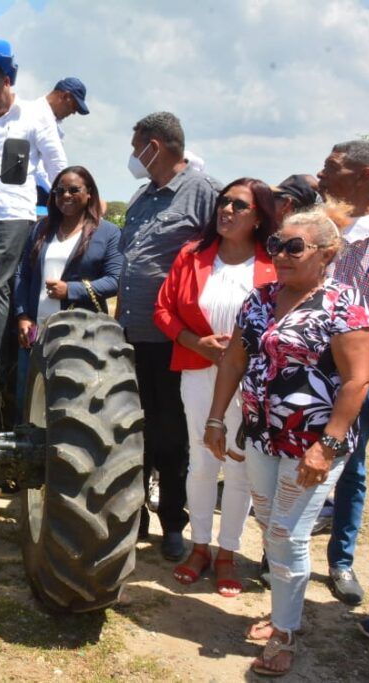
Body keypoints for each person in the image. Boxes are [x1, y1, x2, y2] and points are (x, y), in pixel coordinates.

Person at [205, 203, 369, 677]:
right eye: (276, 245)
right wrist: (217, 419)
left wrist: (328, 446)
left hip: (313, 444)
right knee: (269, 522)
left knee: (286, 532)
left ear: (327, 252)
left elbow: (356, 382)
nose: (280, 254)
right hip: (261, 436)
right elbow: (234, 361)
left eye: (293, 246)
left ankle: (284, 632)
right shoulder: (260, 298)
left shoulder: (344, 306)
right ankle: (285, 609)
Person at [153, 178, 278, 596]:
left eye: (238, 205)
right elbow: (164, 310)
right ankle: (200, 546)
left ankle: (228, 552)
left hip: (251, 380)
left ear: (258, 216)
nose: (226, 209)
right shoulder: (192, 256)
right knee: (202, 461)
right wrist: (196, 343)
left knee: (240, 465)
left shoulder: (273, 263)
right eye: (223, 202)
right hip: (198, 369)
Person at [117, 111, 221, 561]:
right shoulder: (143, 196)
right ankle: (130, 513)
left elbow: (223, 254)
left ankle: (172, 523)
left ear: (154, 147)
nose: (132, 154)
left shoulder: (203, 192)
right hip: (128, 337)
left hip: (171, 341)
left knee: (169, 436)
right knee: (129, 432)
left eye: (136, 144)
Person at [0, 62, 70, 394]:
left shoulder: (34, 116)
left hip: (11, 216)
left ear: (7, 82)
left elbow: (57, 167)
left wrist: (65, 203)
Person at [317, 140, 369, 606]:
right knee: (293, 450)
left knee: (350, 462)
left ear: (363, 175)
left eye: (332, 167)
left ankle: (340, 561)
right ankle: (275, 552)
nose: (321, 174)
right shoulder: (317, 225)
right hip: (310, 352)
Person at [12, 164, 122, 435]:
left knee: (74, 400)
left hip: (81, 334)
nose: (66, 196)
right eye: (60, 191)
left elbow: (114, 280)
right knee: (30, 398)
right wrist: (23, 315)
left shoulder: (107, 233)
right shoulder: (41, 230)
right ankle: (28, 463)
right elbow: (22, 275)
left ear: (89, 194)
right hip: (36, 331)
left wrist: (71, 290)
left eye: (74, 190)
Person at [33, 77, 88, 204]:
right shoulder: (40, 116)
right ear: (66, 96)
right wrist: (69, 194)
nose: (74, 112)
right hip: (37, 192)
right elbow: (55, 162)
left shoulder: (50, 120)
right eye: (75, 106)